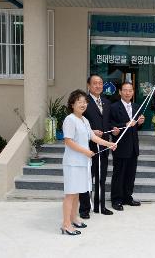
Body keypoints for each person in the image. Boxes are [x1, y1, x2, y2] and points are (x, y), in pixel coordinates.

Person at [61, 89, 117, 235]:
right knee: (70, 194)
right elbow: (68, 141)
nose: (83, 104)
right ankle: (66, 224)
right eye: (79, 102)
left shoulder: (85, 120)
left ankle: (74, 218)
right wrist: (85, 151)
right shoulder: (70, 119)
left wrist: (109, 144)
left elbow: (93, 137)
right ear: (72, 104)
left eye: (85, 102)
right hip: (73, 163)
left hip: (83, 163)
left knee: (78, 192)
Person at [79, 74, 120, 219]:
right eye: (95, 83)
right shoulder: (84, 102)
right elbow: (79, 122)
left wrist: (113, 128)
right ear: (89, 85)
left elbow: (106, 122)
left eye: (101, 83)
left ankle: (100, 206)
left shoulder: (106, 102)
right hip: (88, 147)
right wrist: (91, 132)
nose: (98, 86)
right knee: (88, 177)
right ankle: (84, 209)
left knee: (102, 177)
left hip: (103, 146)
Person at [109, 82, 145, 211]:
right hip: (120, 146)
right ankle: (116, 199)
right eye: (125, 90)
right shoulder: (113, 107)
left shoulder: (136, 106)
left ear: (133, 92)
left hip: (133, 146)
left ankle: (127, 197)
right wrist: (124, 124)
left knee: (131, 174)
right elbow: (110, 124)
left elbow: (137, 127)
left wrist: (140, 122)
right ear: (120, 92)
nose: (127, 93)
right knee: (119, 174)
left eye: (130, 90)